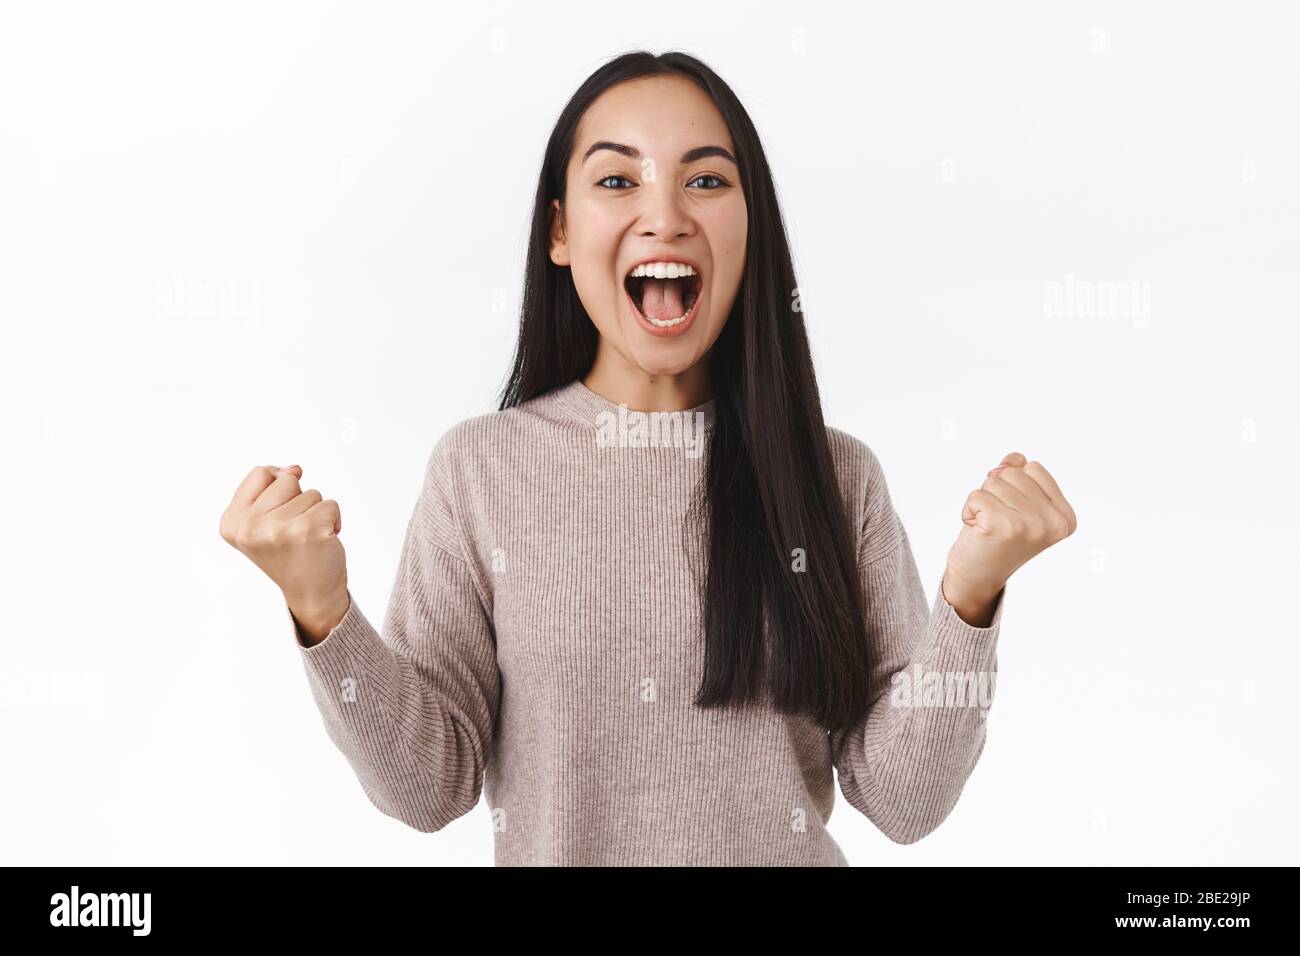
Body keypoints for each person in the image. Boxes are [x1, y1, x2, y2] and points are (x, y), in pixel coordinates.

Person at [219, 50, 1077, 866]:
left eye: (706, 179)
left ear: (751, 228)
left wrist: (971, 598)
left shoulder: (836, 477)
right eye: (618, 180)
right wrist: (320, 607)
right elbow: (429, 786)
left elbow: (900, 800)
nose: (665, 215)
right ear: (559, 231)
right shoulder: (479, 472)